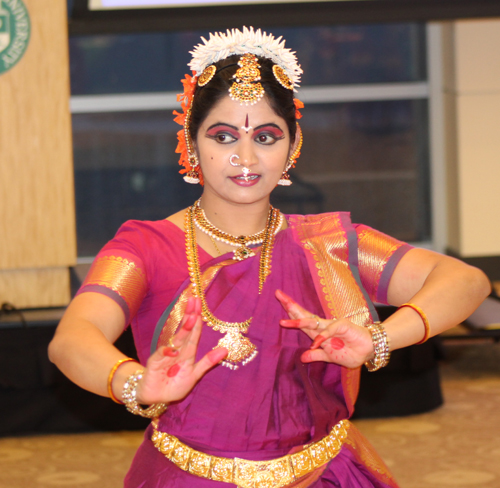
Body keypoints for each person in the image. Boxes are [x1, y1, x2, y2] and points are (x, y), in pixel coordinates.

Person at [48, 27, 490, 488]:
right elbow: (73, 339)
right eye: (222, 137)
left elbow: (466, 282)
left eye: (265, 136)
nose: (245, 158)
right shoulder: (146, 248)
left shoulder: (328, 244)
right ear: (191, 143)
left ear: (292, 146)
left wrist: (377, 338)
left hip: (324, 475)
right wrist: (136, 383)